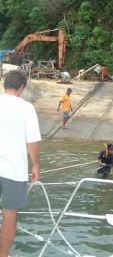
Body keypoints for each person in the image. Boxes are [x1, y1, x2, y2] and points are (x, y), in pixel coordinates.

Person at [0, 70, 41, 257]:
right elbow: (32, 141)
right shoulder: (26, 108)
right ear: (21, 87)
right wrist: (35, 165)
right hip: (14, 171)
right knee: (9, 216)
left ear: (4, 84)